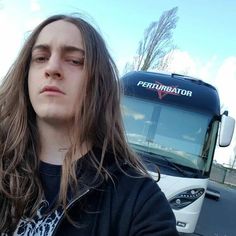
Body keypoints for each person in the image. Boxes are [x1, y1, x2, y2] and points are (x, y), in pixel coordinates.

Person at [0, 14, 179, 236]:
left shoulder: (139, 202)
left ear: (99, 84)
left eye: (75, 60)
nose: (52, 67)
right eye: (40, 57)